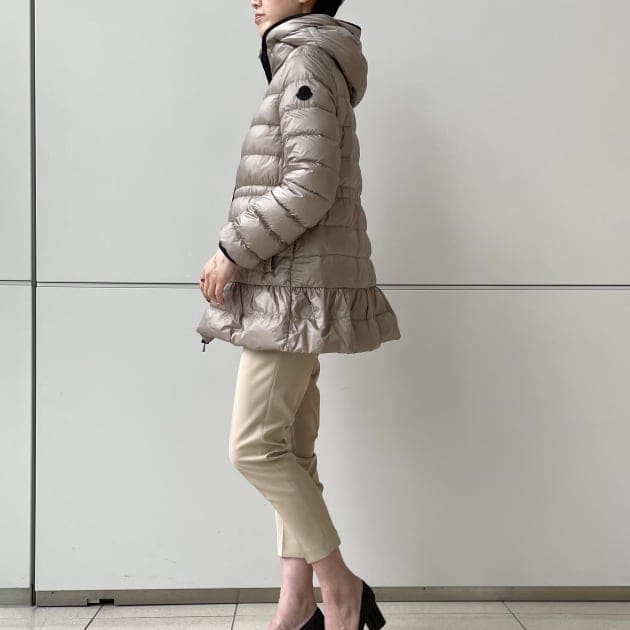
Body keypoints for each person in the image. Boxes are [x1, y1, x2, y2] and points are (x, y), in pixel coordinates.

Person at [197, 1, 400, 628]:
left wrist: (233, 249)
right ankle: (296, 603)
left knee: (254, 447)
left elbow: (310, 185)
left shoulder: (307, 61)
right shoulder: (311, 59)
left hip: (291, 289)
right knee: (291, 448)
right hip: (299, 287)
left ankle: (339, 588)